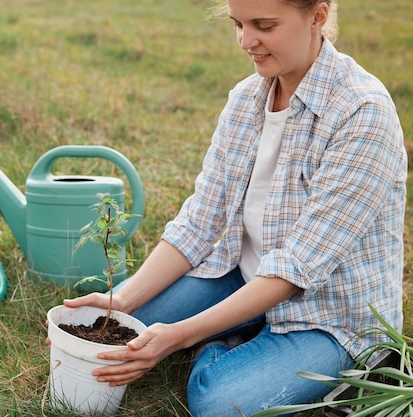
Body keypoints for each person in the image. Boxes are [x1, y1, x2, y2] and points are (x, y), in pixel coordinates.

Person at [60, 0, 407, 415]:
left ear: (317, 15)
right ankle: (240, 326)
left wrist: (183, 335)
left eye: (264, 25)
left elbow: (298, 267)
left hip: (328, 317)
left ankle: (224, 341)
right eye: (238, 24)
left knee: (217, 401)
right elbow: (199, 221)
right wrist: (123, 301)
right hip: (244, 277)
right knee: (127, 328)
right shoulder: (246, 99)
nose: (246, 41)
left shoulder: (362, 112)